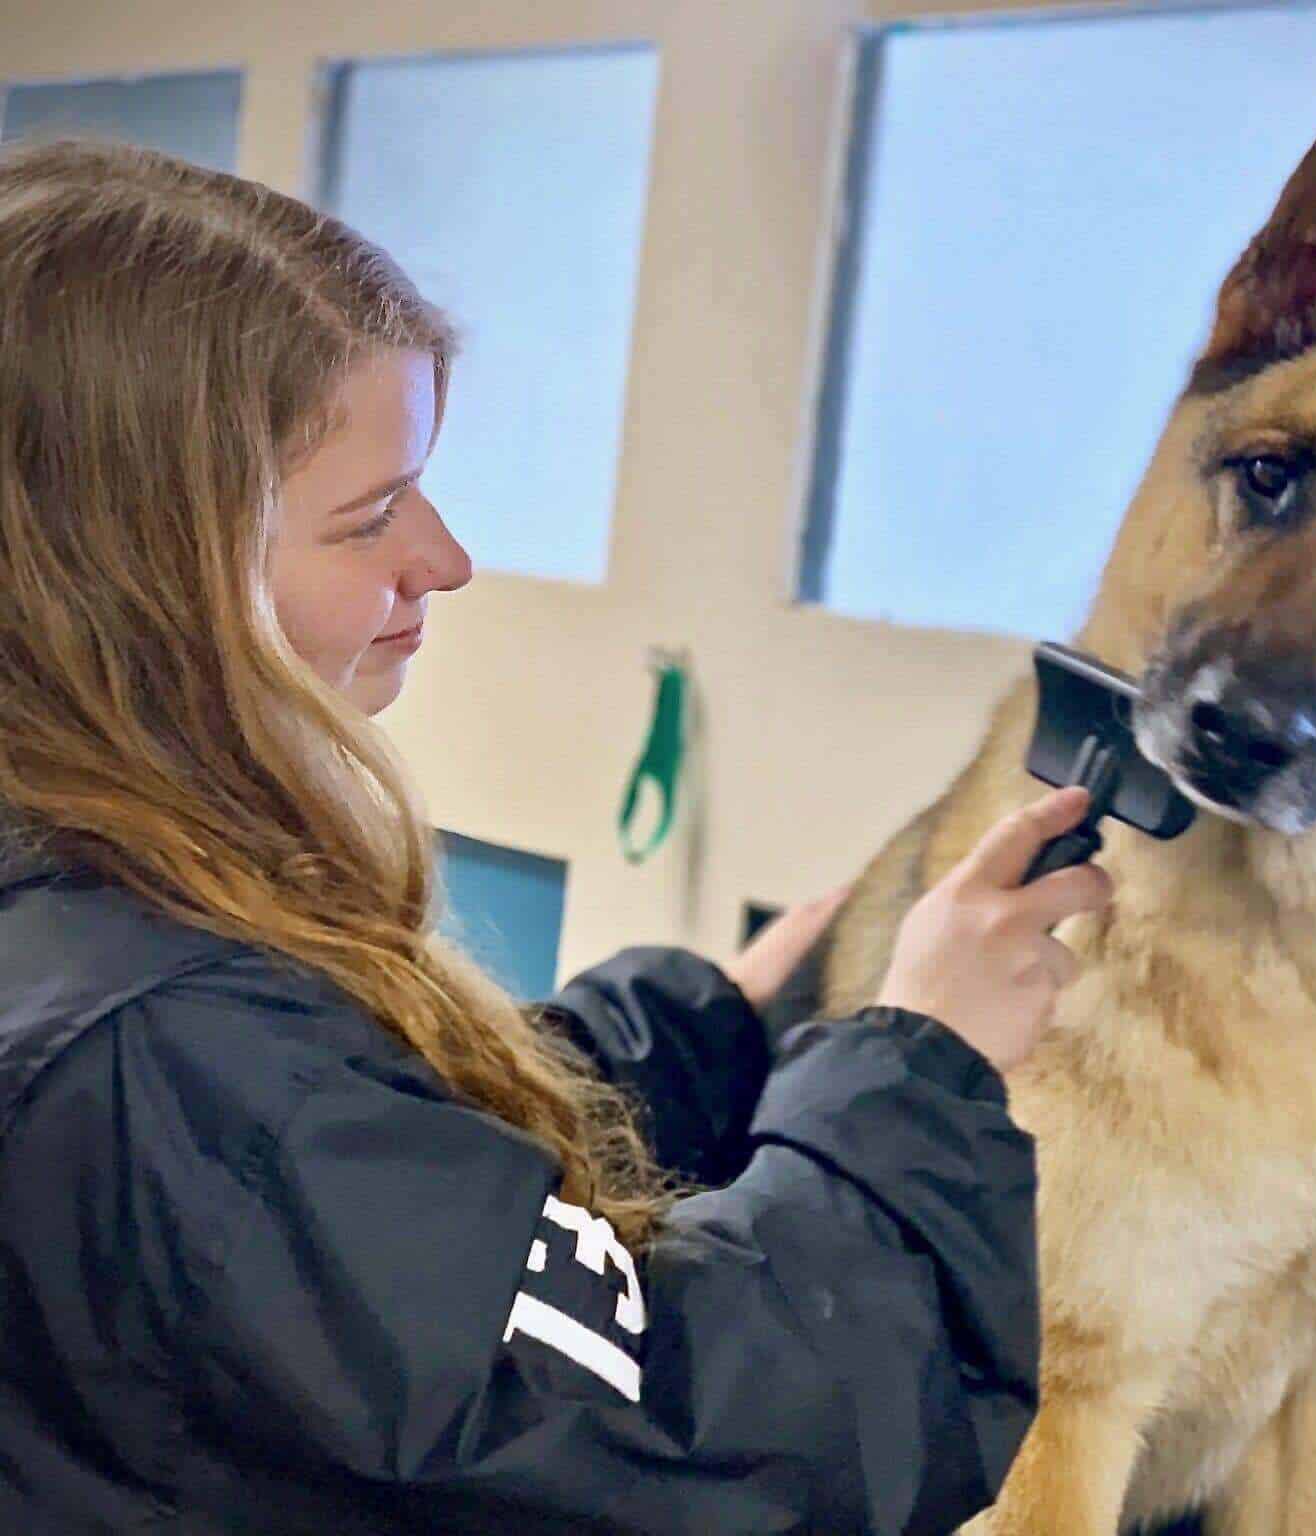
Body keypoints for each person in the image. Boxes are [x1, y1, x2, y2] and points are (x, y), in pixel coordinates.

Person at [0, 140, 1112, 1534]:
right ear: (141, 577)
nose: (442, 558)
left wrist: (705, 1024)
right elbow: (724, 1439)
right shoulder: (174, 1060)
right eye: (367, 517)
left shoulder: (85, 922)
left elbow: (373, 1197)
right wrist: (916, 1070)